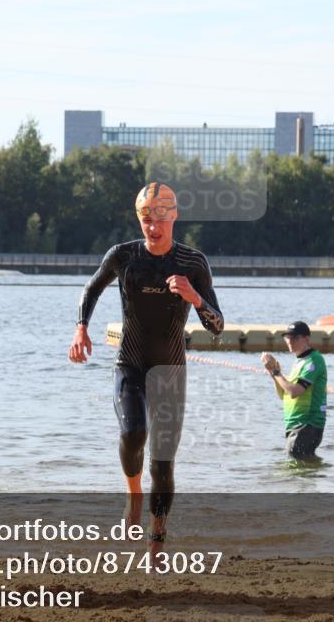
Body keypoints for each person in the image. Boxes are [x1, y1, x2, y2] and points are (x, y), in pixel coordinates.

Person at [69, 182, 224, 558]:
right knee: (133, 432)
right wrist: (81, 328)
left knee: (163, 463)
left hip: (170, 371)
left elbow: (217, 326)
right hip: (131, 365)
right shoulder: (124, 256)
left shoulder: (192, 262)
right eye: (145, 218)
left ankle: (157, 540)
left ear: (174, 217)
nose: (153, 226)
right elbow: (91, 289)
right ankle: (132, 493)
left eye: (160, 217)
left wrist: (194, 297)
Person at [260, 321, 328, 460]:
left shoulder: (314, 360)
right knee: (302, 469)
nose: (290, 341)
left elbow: (295, 391)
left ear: (306, 338)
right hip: (296, 425)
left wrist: (276, 372)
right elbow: (284, 395)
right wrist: (273, 372)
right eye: (288, 337)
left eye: (295, 338)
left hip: (306, 425)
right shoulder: (299, 362)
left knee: (294, 470)